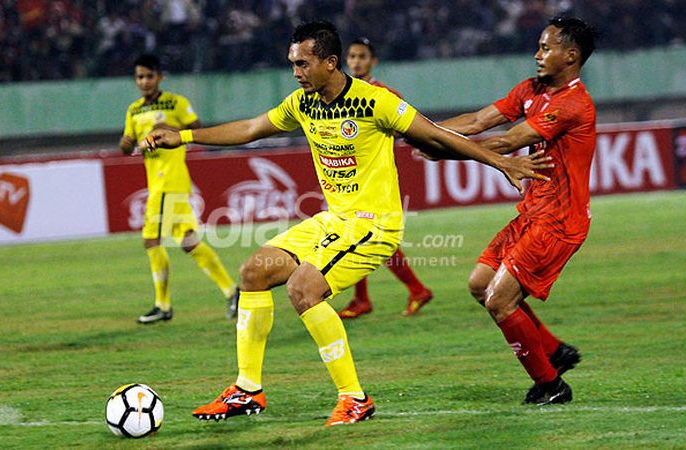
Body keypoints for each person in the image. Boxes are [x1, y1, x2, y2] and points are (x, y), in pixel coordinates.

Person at [144, 21, 551, 426]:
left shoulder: (375, 102)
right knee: (254, 271)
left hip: (374, 225)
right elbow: (251, 128)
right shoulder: (302, 104)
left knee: (303, 289)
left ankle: (354, 399)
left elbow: (438, 135)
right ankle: (247, 389)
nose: (296, 72)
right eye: (292, 63)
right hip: (334, 219)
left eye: (303, 64)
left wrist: (501, 161)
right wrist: (183, 137)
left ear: (330, 62)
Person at [419, 16, 597, 405]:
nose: (537, 54)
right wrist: (424, 131)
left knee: (501, 301)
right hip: (533, 212)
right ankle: (553, 352)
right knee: (480, 285)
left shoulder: (572, 105)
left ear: (570, 56)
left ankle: (552, 387)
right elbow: (479, 121)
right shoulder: (532, 89)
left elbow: (509, 140)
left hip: (559, 222)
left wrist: (442, 151)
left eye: (546, 48)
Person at [120, 54, 239, 324]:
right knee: (188, 242)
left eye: (149, 76)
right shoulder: (134, 110)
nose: (144, 81)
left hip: (169, 181)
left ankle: (162, 305)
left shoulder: (176, 103)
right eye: (140, 77)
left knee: (151, 240)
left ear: (160, 77)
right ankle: (232, 291)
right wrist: (127, 142)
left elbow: (197, 130)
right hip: (160, 182)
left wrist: (169, 128)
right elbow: (126, 146)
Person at [337, 37, 433, 319]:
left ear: (373, 61)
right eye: (352, 56)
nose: (356, 61)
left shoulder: (386, 94)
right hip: (349, 179)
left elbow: (407, 128)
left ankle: (370, 298)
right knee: (360, 238)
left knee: (359, 237)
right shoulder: (340, 92)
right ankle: (399, 293)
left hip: (375, 180)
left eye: (362, 56)